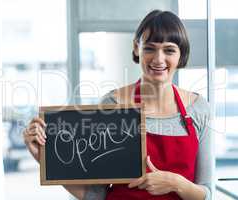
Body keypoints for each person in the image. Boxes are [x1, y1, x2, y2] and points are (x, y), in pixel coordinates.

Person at [23, 10, 212, 200]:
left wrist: (175, 183)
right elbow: (96, 195)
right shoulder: (112, 105)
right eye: (149, 48)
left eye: (169, 50)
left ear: (181, 54)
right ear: (136, 48)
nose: (158, 59)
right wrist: (44, 157)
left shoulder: (198, 108)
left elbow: (207, 194)